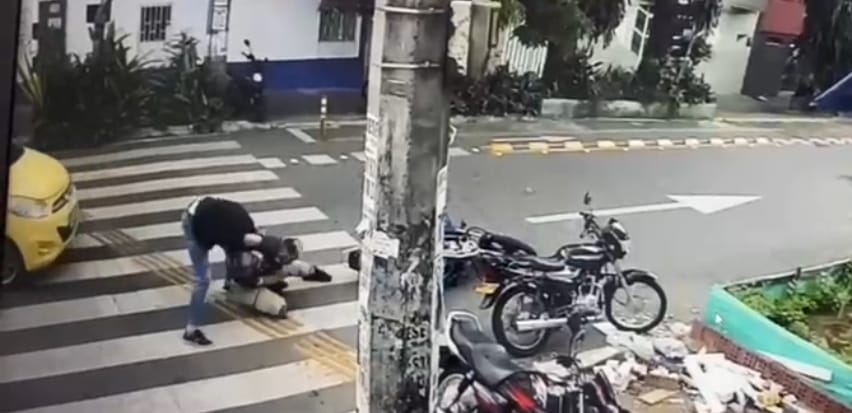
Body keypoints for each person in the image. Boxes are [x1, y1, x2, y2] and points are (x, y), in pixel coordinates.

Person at [181, 196, 287, 345]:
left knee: (235, 256)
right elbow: (240, 251)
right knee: (203, 279)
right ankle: (190, 330)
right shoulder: (234, 236)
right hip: (195, 224)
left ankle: (230, 284)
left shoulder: (245, 225)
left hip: (206, 212)